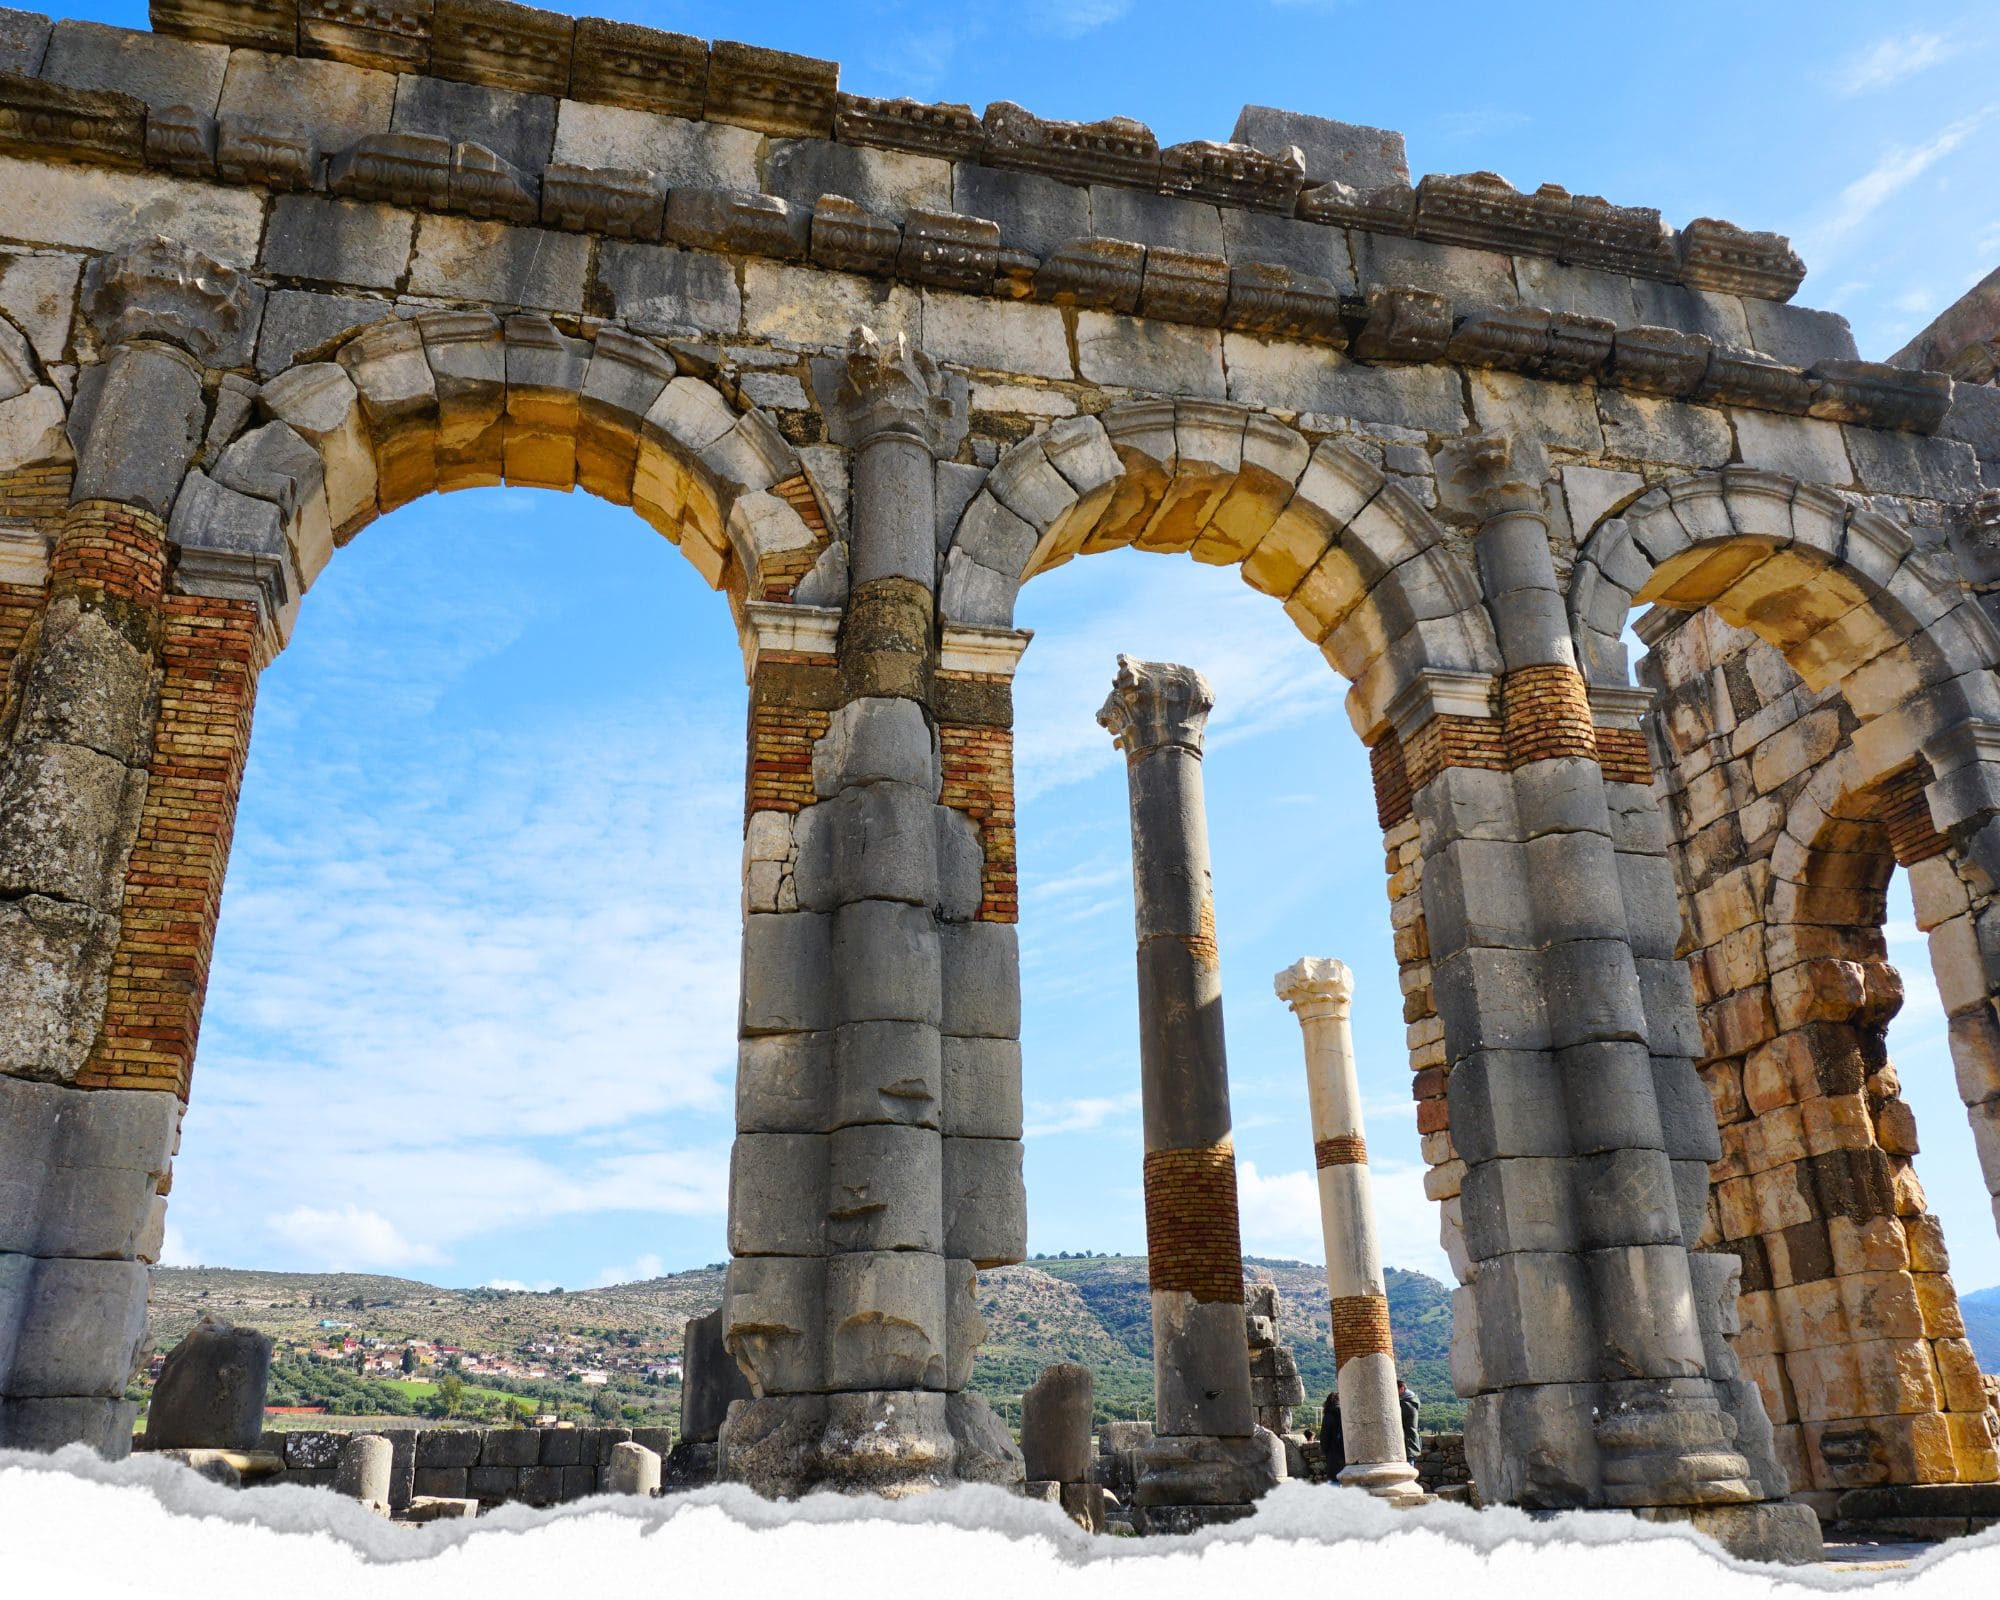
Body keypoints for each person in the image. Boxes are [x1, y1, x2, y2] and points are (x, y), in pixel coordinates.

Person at [1319, 1389, 1345, 1481]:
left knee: (1334, 1483)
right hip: (1347, 1455)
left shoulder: (1328, 1416)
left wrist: (1326, 1451)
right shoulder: (1346, 1414)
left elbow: (1324, 1438)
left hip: (1334, 1456)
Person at [1397, 1378, 1421, 1462]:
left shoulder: (1406, 1405)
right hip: (1411, 1442)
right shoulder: (1411, 1401)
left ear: (1402, 1388)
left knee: (1408, 1469)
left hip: (1408, 1443)